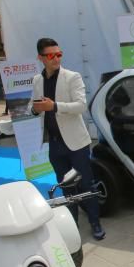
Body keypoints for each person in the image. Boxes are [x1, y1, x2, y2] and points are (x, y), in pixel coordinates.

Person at [26, 38, 105, 241]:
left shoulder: (72, 77)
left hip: (76, 143)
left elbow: (81, 106)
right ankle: (72, 224)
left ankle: (95, 222)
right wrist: (35, 109)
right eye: (51, 55)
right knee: (65, 185)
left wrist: (55, 106)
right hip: (54, 143)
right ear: (40, 57)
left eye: (59, 54)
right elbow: (31, 107)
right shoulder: (37, 80)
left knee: (86, 183)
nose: (56, 58)